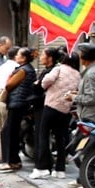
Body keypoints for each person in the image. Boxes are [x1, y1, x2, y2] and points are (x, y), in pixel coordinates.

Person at [30, 47, 79, 180]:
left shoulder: (59, 68)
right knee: (60, 139)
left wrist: (40, 83)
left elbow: (45, 82)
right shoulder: (77, 74)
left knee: (43, 136)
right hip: (65, 109)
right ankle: (60, 169)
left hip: (51, 106)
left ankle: (42, 168)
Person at [0, 47, 36, 172]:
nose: (16, 56)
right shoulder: (28, 69)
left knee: (7, 132)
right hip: (20, 103)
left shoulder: (23, 70)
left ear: (24, 58)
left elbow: (9, 85)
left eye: (19, 55)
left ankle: (9, 161)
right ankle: (14, 161)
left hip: (17, 103)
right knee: (13, 133)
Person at [0, 47, 19, 163]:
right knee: (7, 130)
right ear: (17, 56)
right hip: (7, 100)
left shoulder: (3, 66)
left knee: (0, 129)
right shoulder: (16, 68)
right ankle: (6, 157)